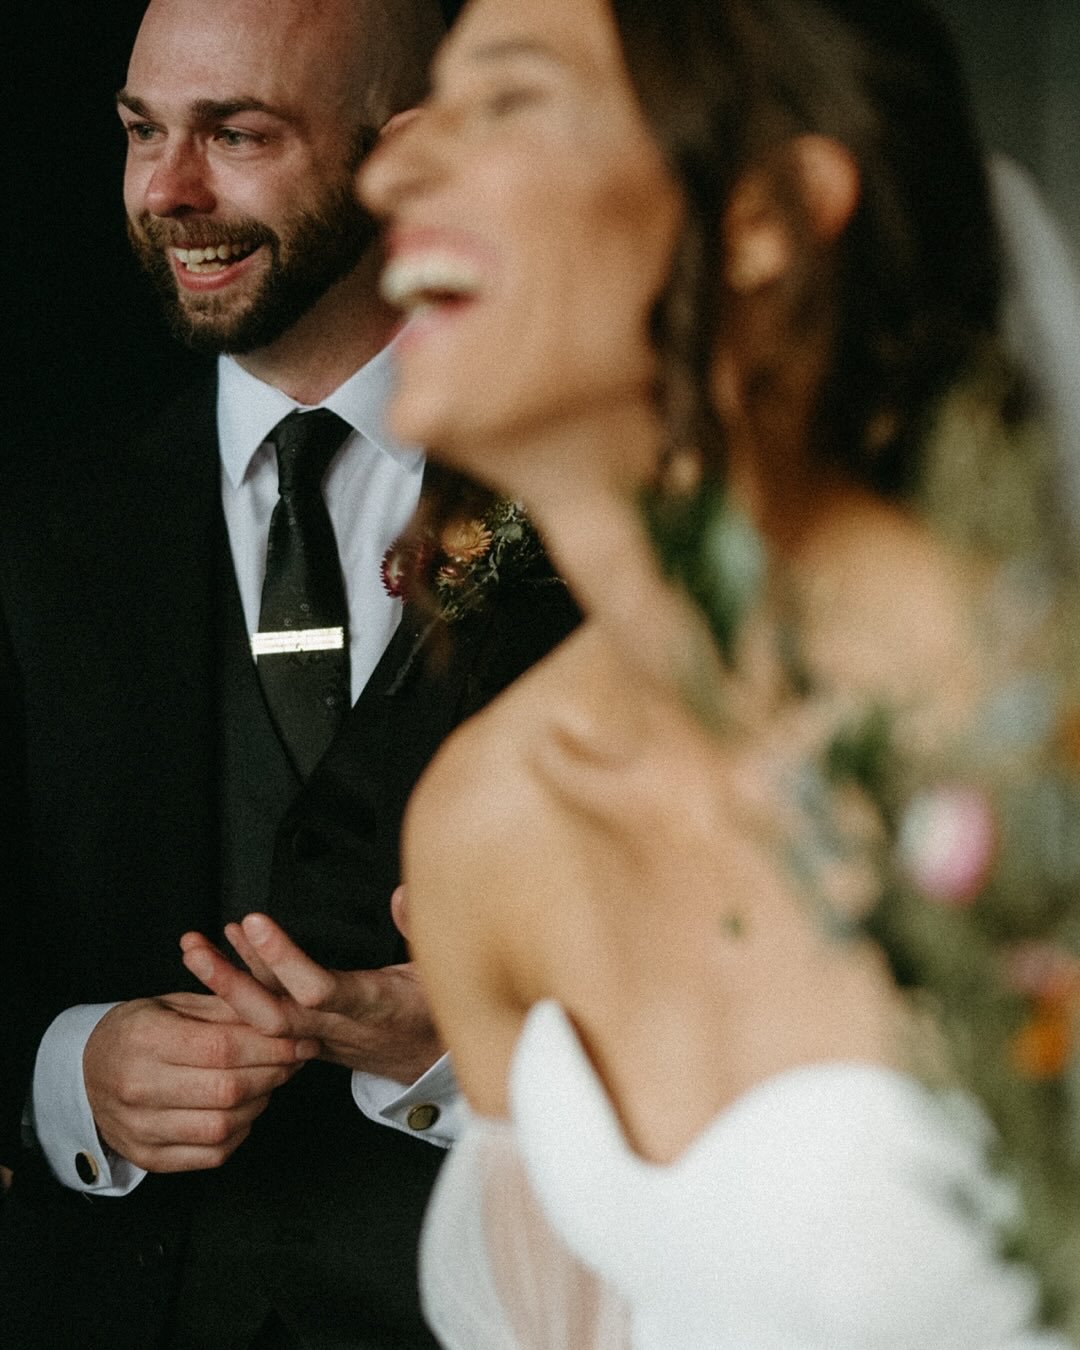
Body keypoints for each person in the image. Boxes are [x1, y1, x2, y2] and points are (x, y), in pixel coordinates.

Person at [346, 0, 1080, 1344]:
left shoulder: (1045, 729)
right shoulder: (490, 823)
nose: (387, 168)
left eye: (506, 98)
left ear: (764, 217)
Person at [0, 0, 574, 1346]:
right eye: (142, 132)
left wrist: (461, 1046)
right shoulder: (36, 521)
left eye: (235, 133)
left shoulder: (591, 511)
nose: (168, 192)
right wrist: (68, 1071)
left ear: (407, 154)